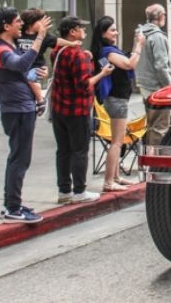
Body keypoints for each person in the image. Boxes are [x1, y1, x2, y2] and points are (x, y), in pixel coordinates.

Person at [0, 7, 52, 223]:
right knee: (19, 157)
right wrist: (40, 37)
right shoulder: (0, 49)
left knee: (21, 157)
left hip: (22, 106)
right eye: (17, 22)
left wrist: (35, 73)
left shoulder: (9, 47)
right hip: (16, 108)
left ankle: (12, 204)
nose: (21, 25)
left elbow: (21, 72)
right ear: (6, 26)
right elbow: (20, 64)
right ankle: (12, 207)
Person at [51, 16, 113, 204]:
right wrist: (102, 73)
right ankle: (79, 191)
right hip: (78, 110)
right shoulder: (77, 55)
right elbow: (85, 85)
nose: (84, 31)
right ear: (72, 32)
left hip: (59, 107)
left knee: (63, 150)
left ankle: (64, 190)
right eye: (81, 28)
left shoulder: (58, 51)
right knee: (79, 150)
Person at [91, 16, 144, 192]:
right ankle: (108, 182)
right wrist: (139, 45)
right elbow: (129, 64)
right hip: (116, 99)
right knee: (117, 141)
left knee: (118, 141)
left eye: (115, 29)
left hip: (118, 98)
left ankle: (116, 176)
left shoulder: (107, 50)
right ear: (103, 33)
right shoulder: (108, 51)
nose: (116, 32)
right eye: (112, 30)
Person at [17, 7, 81, 116]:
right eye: (41, 21)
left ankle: (41, 101)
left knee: (31, 78)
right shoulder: (19, 34)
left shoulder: (44, 36)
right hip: (21, 68)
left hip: (35, 66)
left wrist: (71, 43)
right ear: (31, 22)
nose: (44, 24)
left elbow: (57, 41)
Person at [136, 4, 171, 146]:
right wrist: (170, 87)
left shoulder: (140, 34)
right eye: (164, 14)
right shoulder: (157, 37)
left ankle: (147, 161)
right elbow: (161, 66)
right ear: (160, 16)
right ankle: (156, 163)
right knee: (159, 128)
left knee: (151, 126)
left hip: (145, 86)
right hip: (157, 88)